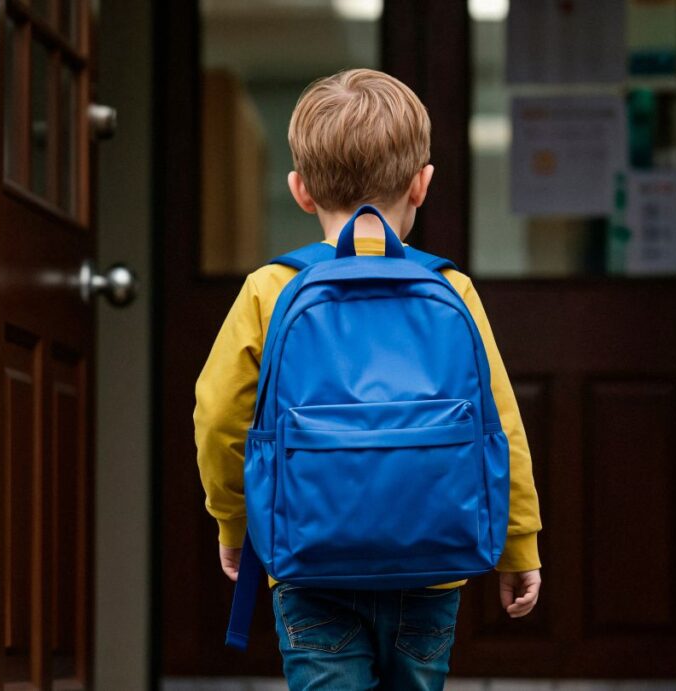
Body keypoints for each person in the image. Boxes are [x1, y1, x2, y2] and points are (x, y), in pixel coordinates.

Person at [194, 68, 542, 690]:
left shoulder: (271, 291)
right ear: (421, 185)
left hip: (310, 565)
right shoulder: (451, 290)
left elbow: (219, 416)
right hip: (431, 565)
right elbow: (500, 427)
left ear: (301, 191)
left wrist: (235, 522)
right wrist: (518, 545)